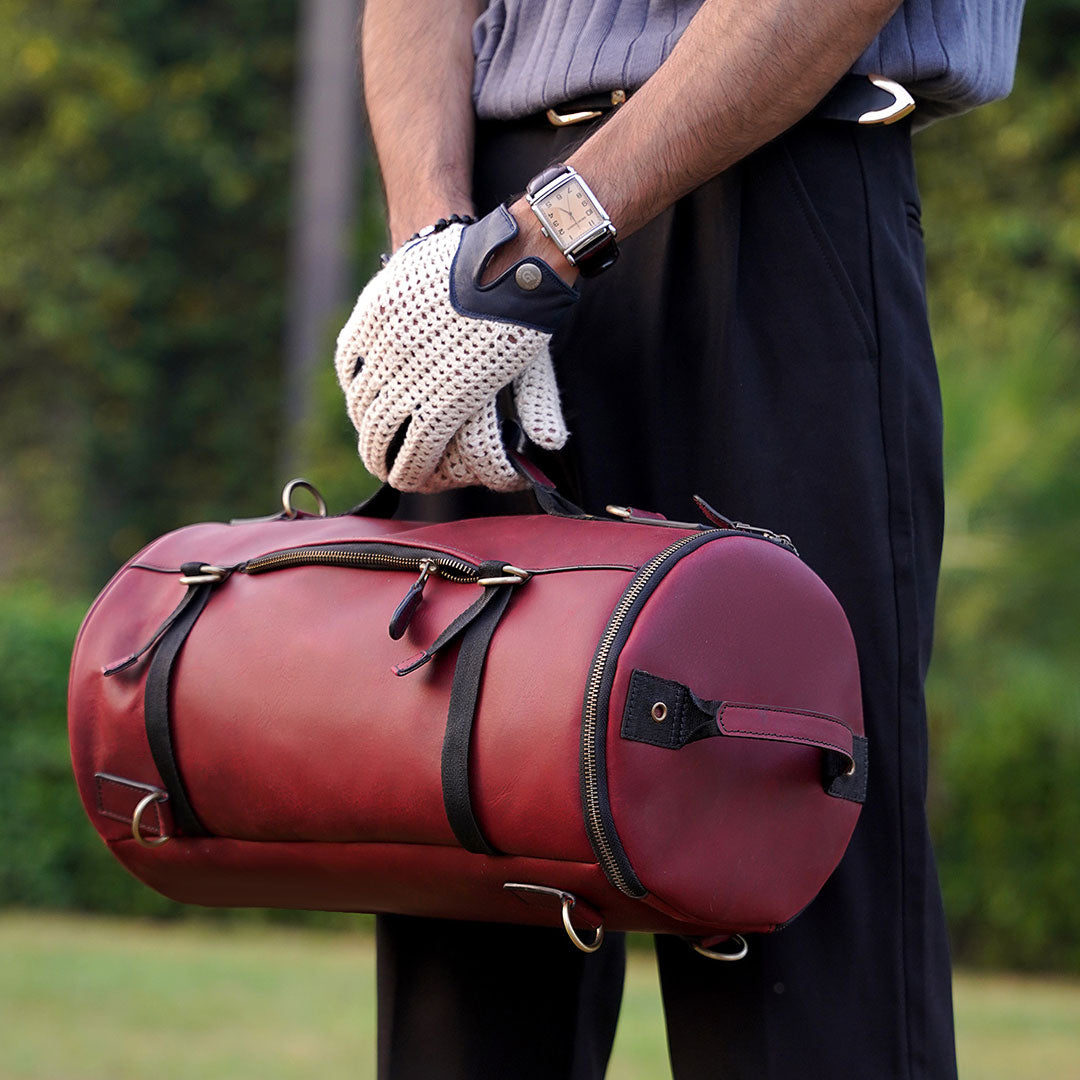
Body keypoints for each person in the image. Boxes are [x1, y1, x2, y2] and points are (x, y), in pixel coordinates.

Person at [336, 2, 1025, 1077]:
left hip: (776, 192)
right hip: (479, 243)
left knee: (787, 848)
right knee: (470, 868)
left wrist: (539, 246)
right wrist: (437, 254)